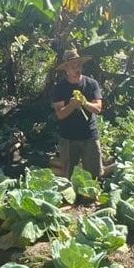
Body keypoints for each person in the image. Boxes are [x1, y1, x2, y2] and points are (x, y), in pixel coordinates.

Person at [50, 48, 103, 180]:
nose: (77, 69)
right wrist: (72, 105)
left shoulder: (91, 84)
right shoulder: (59, 87)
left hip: (89, 136)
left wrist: (85, 103)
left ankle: (91, 199)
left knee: (94, 175)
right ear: (66, 69)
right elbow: (60, 115)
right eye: (73, 66)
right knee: (69, 176)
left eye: (79, 65)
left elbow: (98, 109)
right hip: (68, 138)